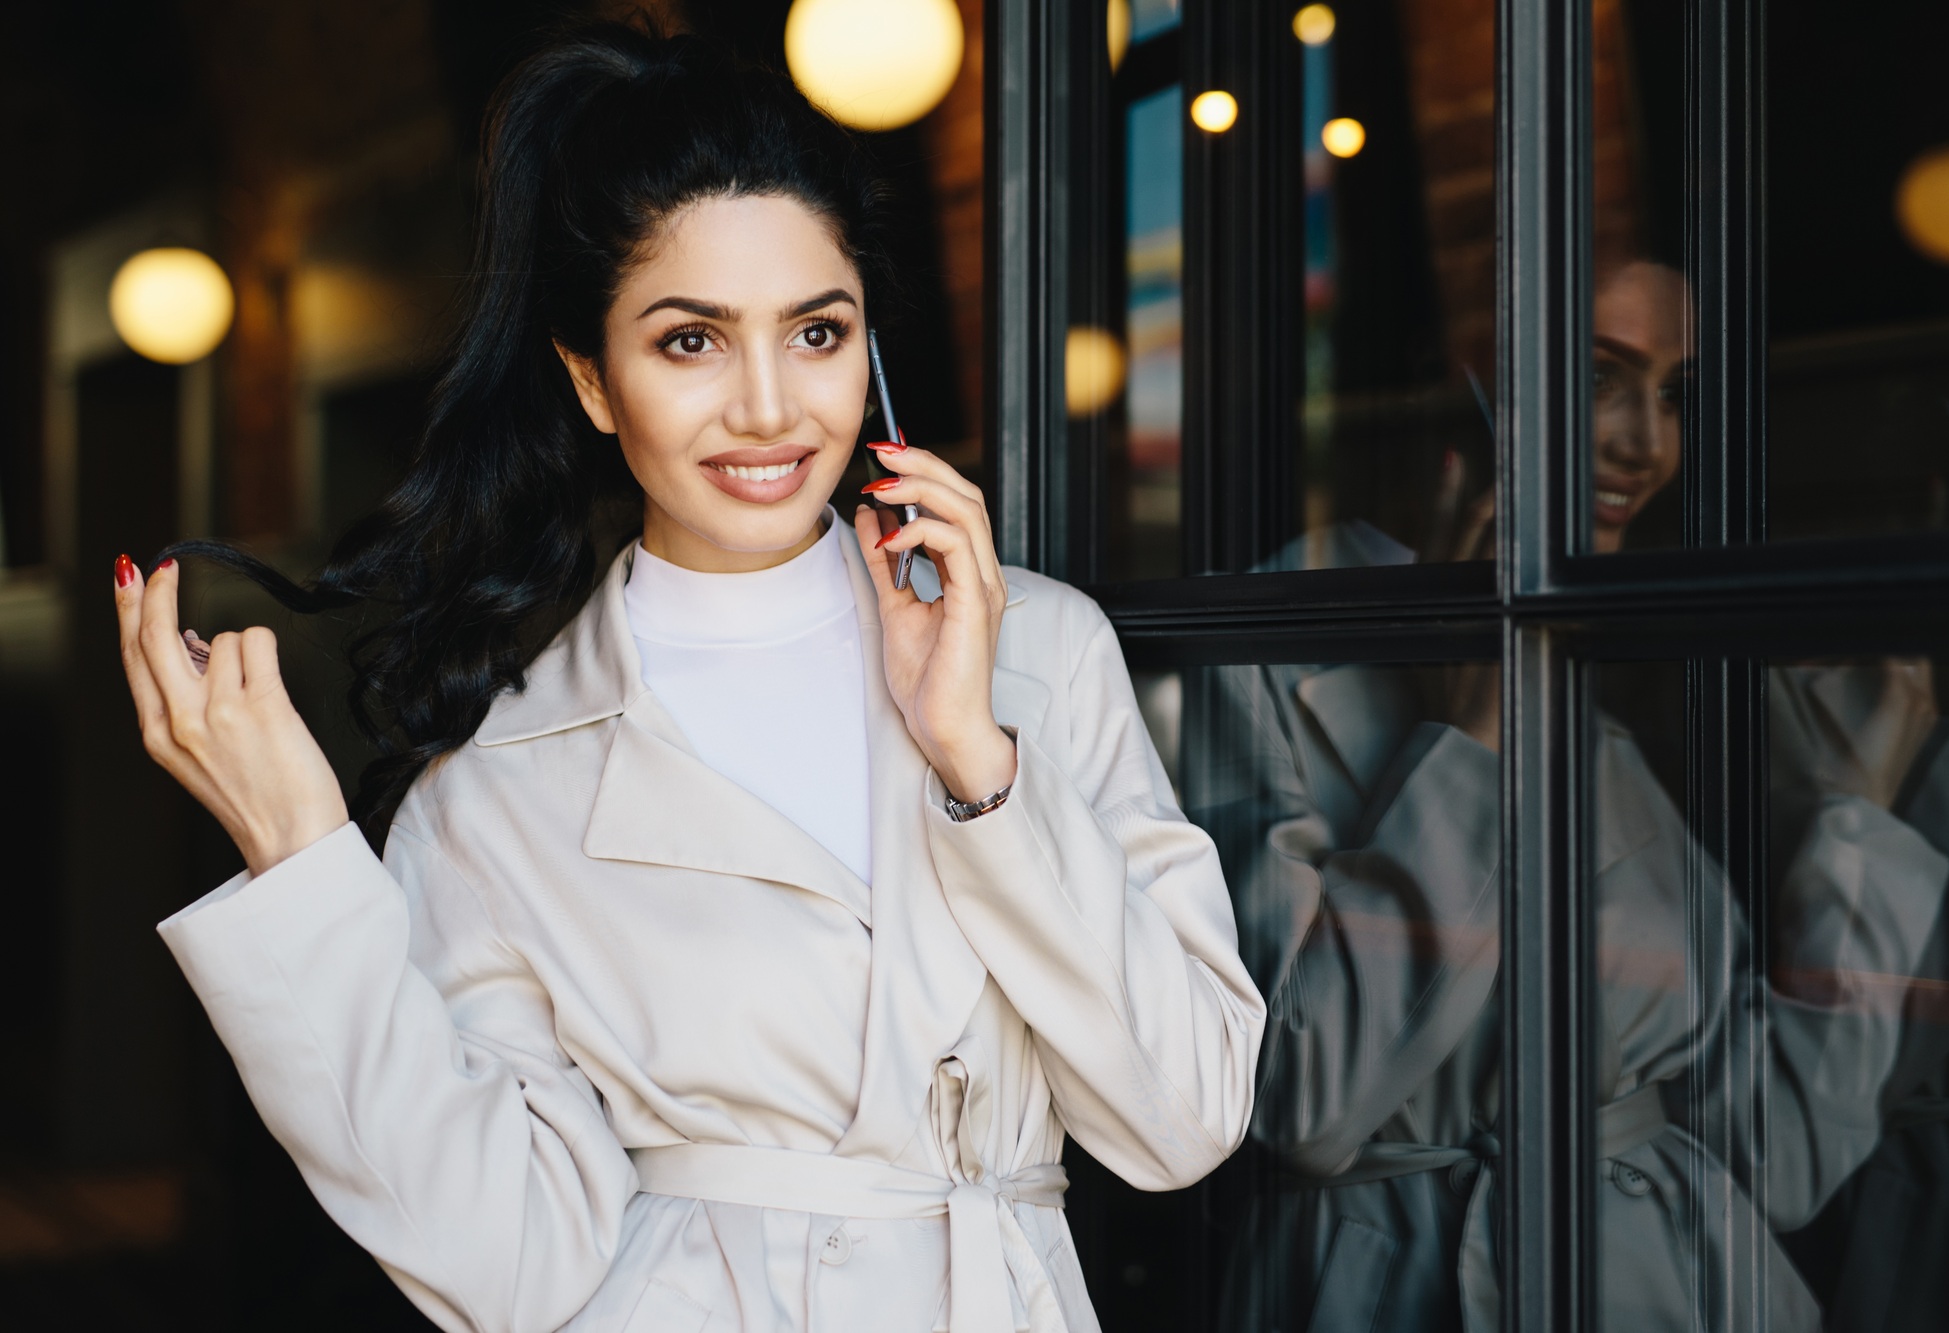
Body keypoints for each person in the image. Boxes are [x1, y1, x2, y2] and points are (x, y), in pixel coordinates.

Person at [109, 29, 1263, 1333]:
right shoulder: (500, 783)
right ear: (593, 380)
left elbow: (1187, 1122)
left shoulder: (1038, 652)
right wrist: (301, 861)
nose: (770, 408)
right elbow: (504, 1269)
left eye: (816, 331)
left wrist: (980, 767)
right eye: (691, 343)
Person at [1203, 259, 1949, 1331]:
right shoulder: (1258, 651)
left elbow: (1781, 1152)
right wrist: (1473, 744)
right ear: (1450, 376)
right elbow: (1305, 1098)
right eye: (1598, 377)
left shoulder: (1602, 663)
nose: (1644, 445)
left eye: (1670, 395)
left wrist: (1857, 827)